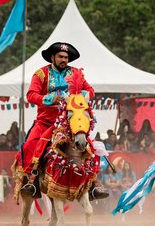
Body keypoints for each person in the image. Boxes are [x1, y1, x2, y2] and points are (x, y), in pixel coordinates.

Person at [16, 42, 108, 200]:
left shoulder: (75, 73)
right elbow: (31, 95)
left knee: (90, 146)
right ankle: (32, 181)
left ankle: (93, 184)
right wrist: (51, 98)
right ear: (52, 57)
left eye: (66, 57)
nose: (63, 59)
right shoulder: (41, 74)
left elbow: (90, 91)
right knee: (30, 145)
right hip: (46, 121)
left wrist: (79, 97)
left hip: (69, 123)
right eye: (60, 57)